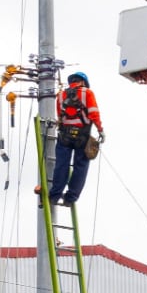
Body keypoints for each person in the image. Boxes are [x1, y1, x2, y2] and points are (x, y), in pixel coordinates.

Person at [45, 72, 105, 208]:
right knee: (80, 167)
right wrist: (100, 130)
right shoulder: (87, 93)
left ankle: (55, 195)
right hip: (82, 136)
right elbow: (94, 113)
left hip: (64, 135)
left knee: (61, 165)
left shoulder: (60, 95)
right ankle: (70, 198)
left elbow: (60, 116)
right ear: (83, 82)